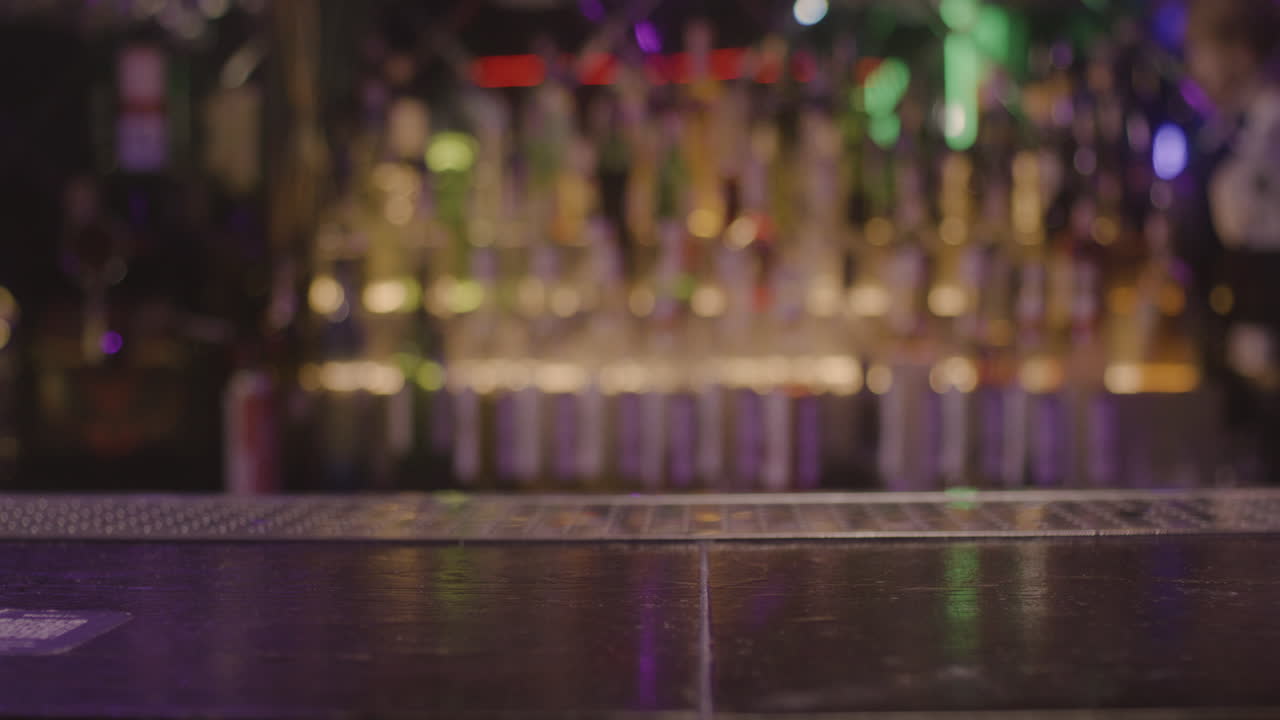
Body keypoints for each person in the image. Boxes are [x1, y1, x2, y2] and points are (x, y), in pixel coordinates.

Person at [1180, 0, 1280, 482]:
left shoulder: (1266, 130)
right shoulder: (1232, 130)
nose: (1192, 69)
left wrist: (1253, 335)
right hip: (1240, 363)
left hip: (1260, 365)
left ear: (1239, 53)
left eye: (1197, 51)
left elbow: (1255, 236)